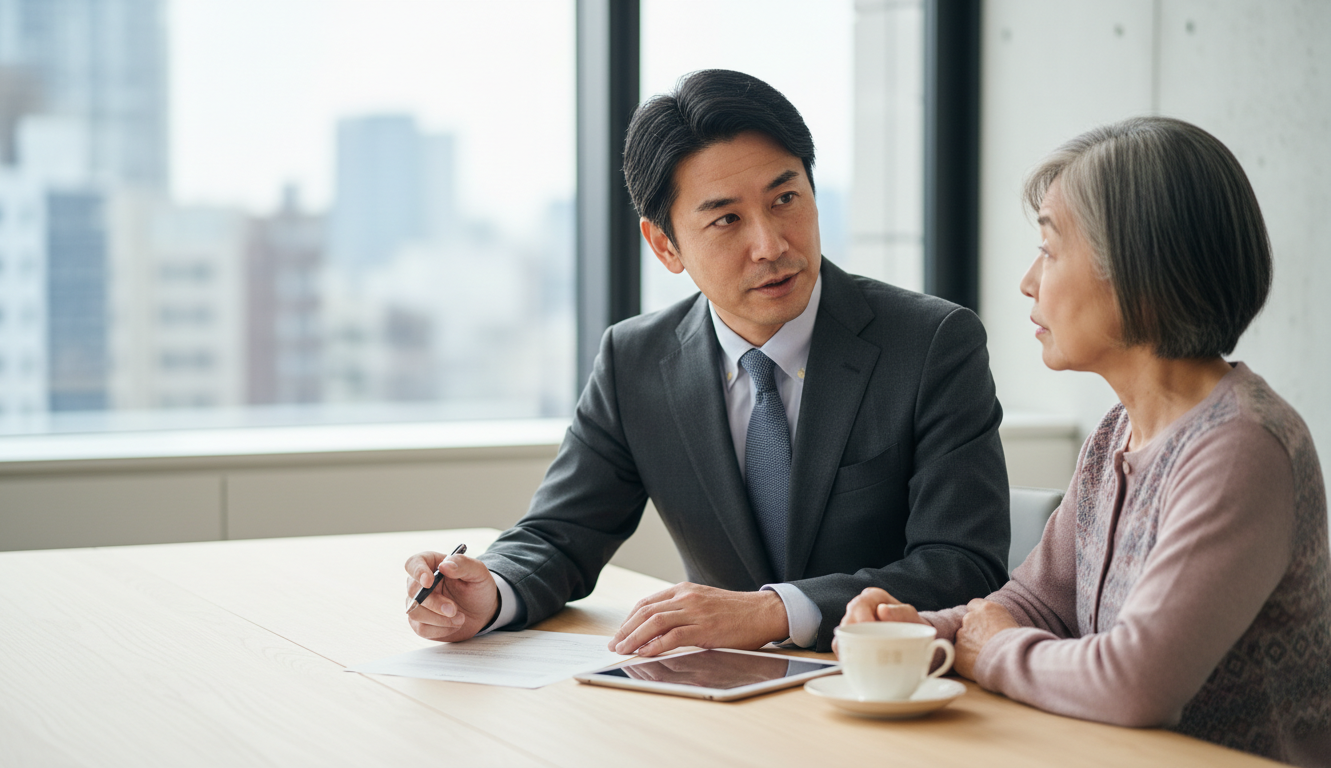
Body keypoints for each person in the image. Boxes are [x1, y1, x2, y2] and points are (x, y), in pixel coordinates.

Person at [405, 69, 1010, 656]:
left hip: (881, 691)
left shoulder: (931, 343)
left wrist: (774, 610)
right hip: (719, 699)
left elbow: (962, 564)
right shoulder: (633, 360)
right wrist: (491, 593)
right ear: (665, 245)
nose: (772, 245)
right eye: (726, 219)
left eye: (786, 199)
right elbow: (560, 536)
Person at [841, 116, 1330, 766]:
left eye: (1048, 250)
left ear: (1137, 270)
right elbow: (1035, 602)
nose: (1027, 281)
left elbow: (1136, 685)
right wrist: (920, 632)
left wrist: (991, 652)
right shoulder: (1118, 431)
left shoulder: (1242, 445)